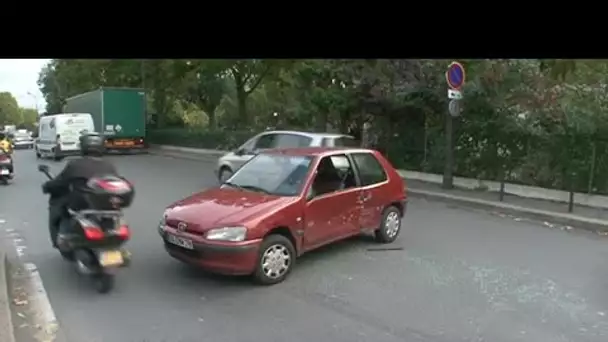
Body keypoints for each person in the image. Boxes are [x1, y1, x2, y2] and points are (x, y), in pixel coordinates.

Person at [42, 133, 118, 248]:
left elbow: (60, 182)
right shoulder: (109, 166)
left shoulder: (75, 164)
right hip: (105, 204)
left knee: (57, 207)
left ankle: (62, 237)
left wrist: (47, 186)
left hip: (81, 204)